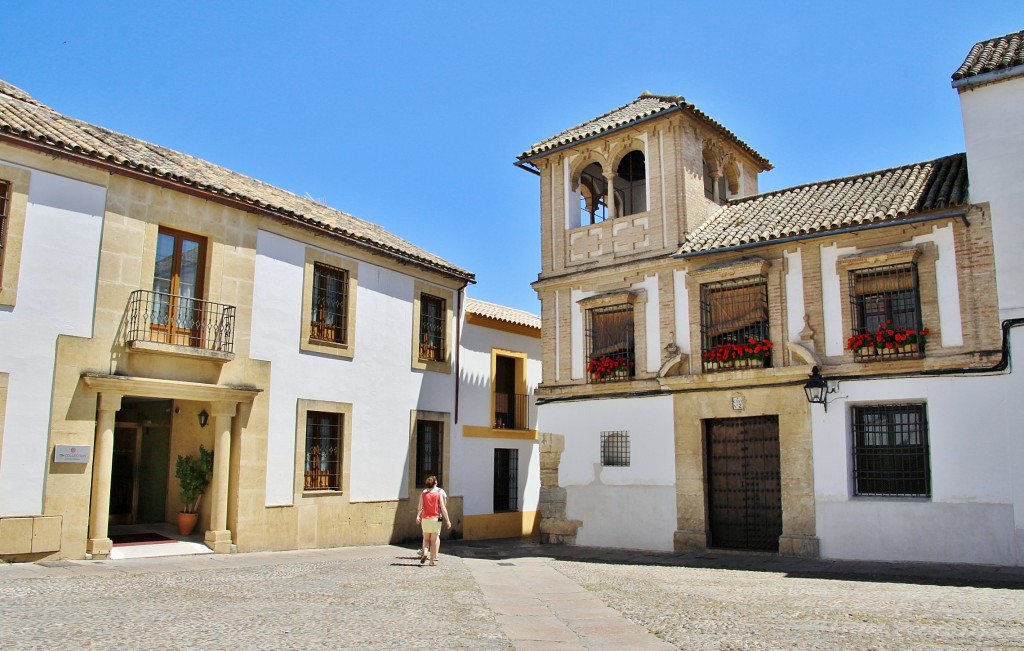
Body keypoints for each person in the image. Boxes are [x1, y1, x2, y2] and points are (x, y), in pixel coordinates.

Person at [415, 475, 451, 566]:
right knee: (434, 540)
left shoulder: (423, 494)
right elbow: (443, 507)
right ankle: (431, 560)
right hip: (436, 518)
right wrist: (447, 520)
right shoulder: (439, 493)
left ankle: (425, 553)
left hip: (425, 519)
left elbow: (420, 507)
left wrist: (418, 516)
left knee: (426, 539)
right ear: (435, 483)